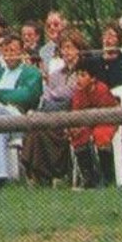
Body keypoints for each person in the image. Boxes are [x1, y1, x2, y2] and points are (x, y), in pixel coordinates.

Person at [0, 34, 43, 190]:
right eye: (6, 51)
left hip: (20, 118)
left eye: (13, 50)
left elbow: (27, 96)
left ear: (22, 51)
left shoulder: (32, 73)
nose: (10, 55)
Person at [19, 30, 85, 185]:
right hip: (52, 110)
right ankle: (44, 174)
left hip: (72, 111)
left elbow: (70, 92)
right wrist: (55, 94)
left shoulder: (83, 71)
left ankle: (46, 172)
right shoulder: (56, 74)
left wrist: (54, 94)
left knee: (42, 124)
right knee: (38, 127)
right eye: (64, 48)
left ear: (78, 49)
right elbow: (47, 94)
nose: (67, 51)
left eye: (70, 47)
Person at [68, 58, 119, 186]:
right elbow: (76, 115)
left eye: (83, 75)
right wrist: (75, 128)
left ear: (93, 78)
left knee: (101, 134)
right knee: (78, 135)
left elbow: (107, 114)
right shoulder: (78, 93)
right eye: (77, 75)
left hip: (107, 121)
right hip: (87, 124)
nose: (78, 79)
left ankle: (107, 176)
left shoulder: (102, 90)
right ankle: (88, 177)